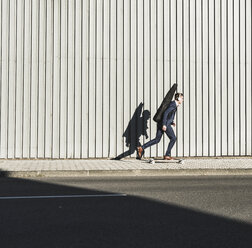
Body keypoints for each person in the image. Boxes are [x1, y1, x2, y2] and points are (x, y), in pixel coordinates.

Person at [137, 93, 184, 160]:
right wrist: (164, 124)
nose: (183, 100)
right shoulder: (173, 105)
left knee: (157, 139)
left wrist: (171, 122)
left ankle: (142, 147)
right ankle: (167, 155)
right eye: (182, 98)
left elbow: (169, 115)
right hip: (165, 124)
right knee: (173, 138)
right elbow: (165, 113)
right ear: (178, 98)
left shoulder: (174, 105)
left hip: (161, 123)